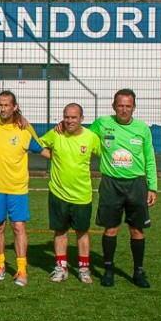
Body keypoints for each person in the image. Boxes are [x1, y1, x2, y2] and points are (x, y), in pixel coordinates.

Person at [89, 88, 157, 288]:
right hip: (111, 183)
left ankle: (138, 272)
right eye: (120, 105)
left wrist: (152, 187)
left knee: (137, 230)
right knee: (111, 229)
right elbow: (81, 136)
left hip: (136, 184)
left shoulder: (143, 129)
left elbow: (150, 160)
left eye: (128, 106)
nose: (124, 109)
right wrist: (63, 126)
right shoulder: (102, 124)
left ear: (134, 107)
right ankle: (108, 271)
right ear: (113, 106)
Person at [0, 90, 43, 286]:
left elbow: (45, 151)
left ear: (14, 107)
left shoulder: (25, 129)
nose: (3, 109)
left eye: (7, 105)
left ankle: (21, 270)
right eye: (0, 105)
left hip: (17, 189)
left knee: (18, 227)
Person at [39, 103, 101, 284]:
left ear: (82, 119)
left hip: (82, 195)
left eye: (74, 117)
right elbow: (36, 144)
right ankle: (61, 268)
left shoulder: (91, 138)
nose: (69, 120)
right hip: (58, 193)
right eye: (66, 117)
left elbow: (105, 154)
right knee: (60, 231)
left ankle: (83, 269)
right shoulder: (56, 134)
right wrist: (52, 156)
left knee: (82, 232)